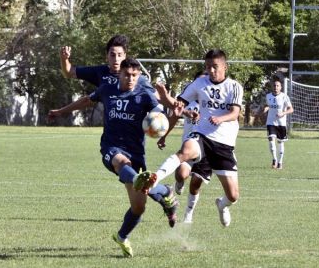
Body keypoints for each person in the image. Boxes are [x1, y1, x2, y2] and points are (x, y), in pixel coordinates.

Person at [48, 58, 178, 257]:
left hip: (136, 153)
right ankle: (143, 182)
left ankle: (123, 235)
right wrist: (61, 111)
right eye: (127, 75)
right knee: (121, 163)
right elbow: (86, 100)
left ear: (139, 76)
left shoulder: (145, 95)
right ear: (120, 74)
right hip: (111, 147)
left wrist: (169, 113)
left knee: (139, 207)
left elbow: (160, 116)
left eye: (135, 75)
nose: (131, 79)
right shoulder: (107, 89)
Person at [134, 49, 244, 228]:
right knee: (185, 152)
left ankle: (222, 205)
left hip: (224, 144)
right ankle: (156, 177)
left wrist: (220, 118)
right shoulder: (200, 83)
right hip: (202, 135)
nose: (211, 70)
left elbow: (235, 113)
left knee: (233, 196)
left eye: (215, 66)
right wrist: (167, 99)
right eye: (208, 67)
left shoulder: (234, 86)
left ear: (225, 66)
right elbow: (179, 104)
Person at [157, 72, 212, 224]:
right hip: (189, 146)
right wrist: (164, 136)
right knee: (181, 174)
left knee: (195, 183)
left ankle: (189, 213)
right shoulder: (186, 102)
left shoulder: (212, 103)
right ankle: (179, 184)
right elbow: (174, 116)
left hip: (208, 149)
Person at [263, 78, 294, 169]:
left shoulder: (284, 96)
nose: (276, 87)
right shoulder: (268, 96)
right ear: (272, 87)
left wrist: (283, 113)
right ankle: (274, 159)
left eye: (277, 86)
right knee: (271, 140)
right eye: (274, 85)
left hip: (281, 123)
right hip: (271, 122)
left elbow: (291, 109)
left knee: (280, 142)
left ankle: (280, 162)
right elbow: (267, 105)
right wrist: (266, 108)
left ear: (280, 87)